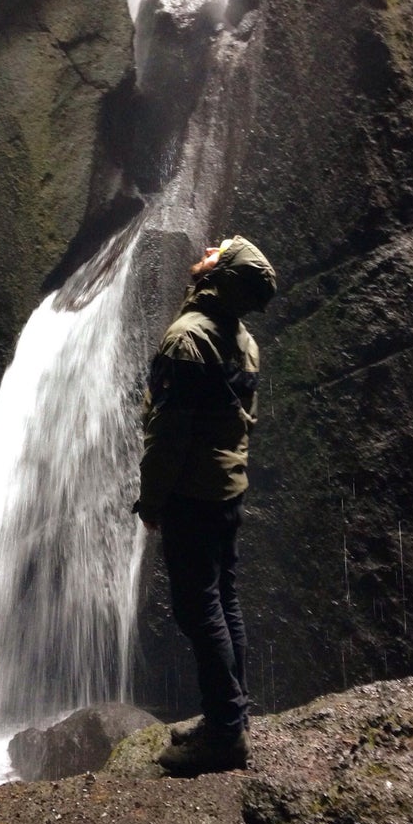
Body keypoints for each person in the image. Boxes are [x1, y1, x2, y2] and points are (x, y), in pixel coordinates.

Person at [132, 235, 277, 775]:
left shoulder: (186, 339)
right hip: (228, 489)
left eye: (221, 251)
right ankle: (232, 715)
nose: (211, 248)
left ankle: (223, 732)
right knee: (225, 600)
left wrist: (151, 502)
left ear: (220, 276)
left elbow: (168, 436)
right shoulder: (245, 342)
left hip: (193, 493)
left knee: (200, 610)